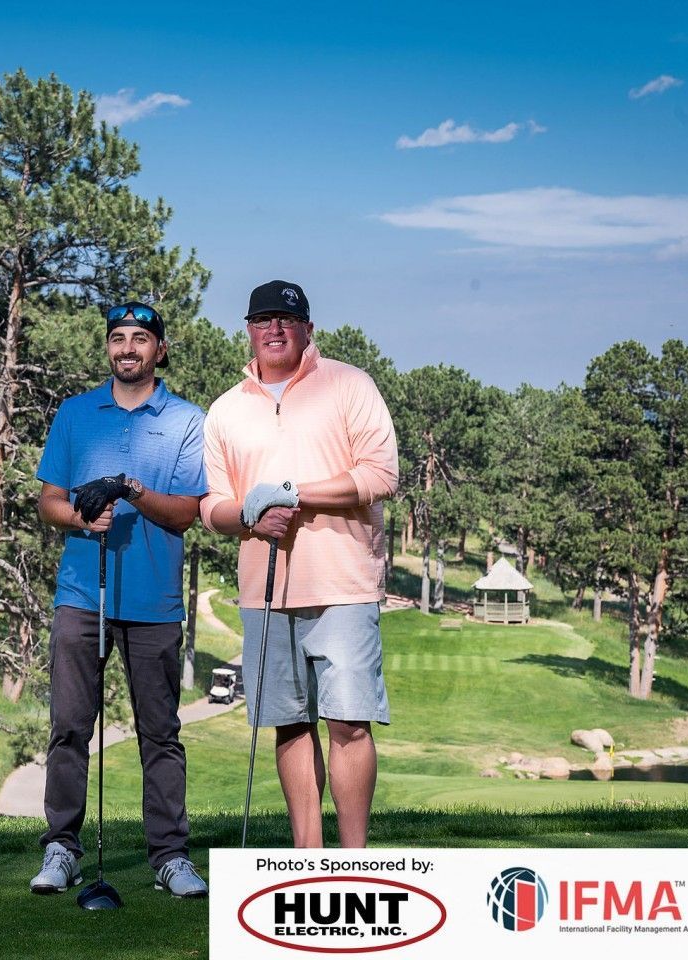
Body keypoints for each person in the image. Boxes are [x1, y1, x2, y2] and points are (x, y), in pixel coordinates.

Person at [199, 280, 398, 848]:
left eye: (287, 319)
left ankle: (353, 858)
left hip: (344, 583)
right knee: (289, 723)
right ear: (249, 330)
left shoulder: (350, 386)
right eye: (263, 319)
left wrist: (291, 493)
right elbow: (212, 505)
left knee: (350, 723)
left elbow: (381, 476)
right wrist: (250, 518)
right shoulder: (226, 410)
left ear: (308, 328)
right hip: (266, 592)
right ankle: (307, 859)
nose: (275, 329)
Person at [30, 300, 209, 898]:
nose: (127, 348)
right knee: (70, 728)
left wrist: (130, 488)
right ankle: (62, 847)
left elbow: (186, 514)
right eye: (117, 338)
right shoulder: (77, 413)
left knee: (160, 732)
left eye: (139, 338)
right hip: (83, 594)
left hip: (154, 599)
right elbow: (48, 500)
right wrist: (82, 517)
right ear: (108, 347)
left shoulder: (186, 420)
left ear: (159, 349)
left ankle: (169, 856)